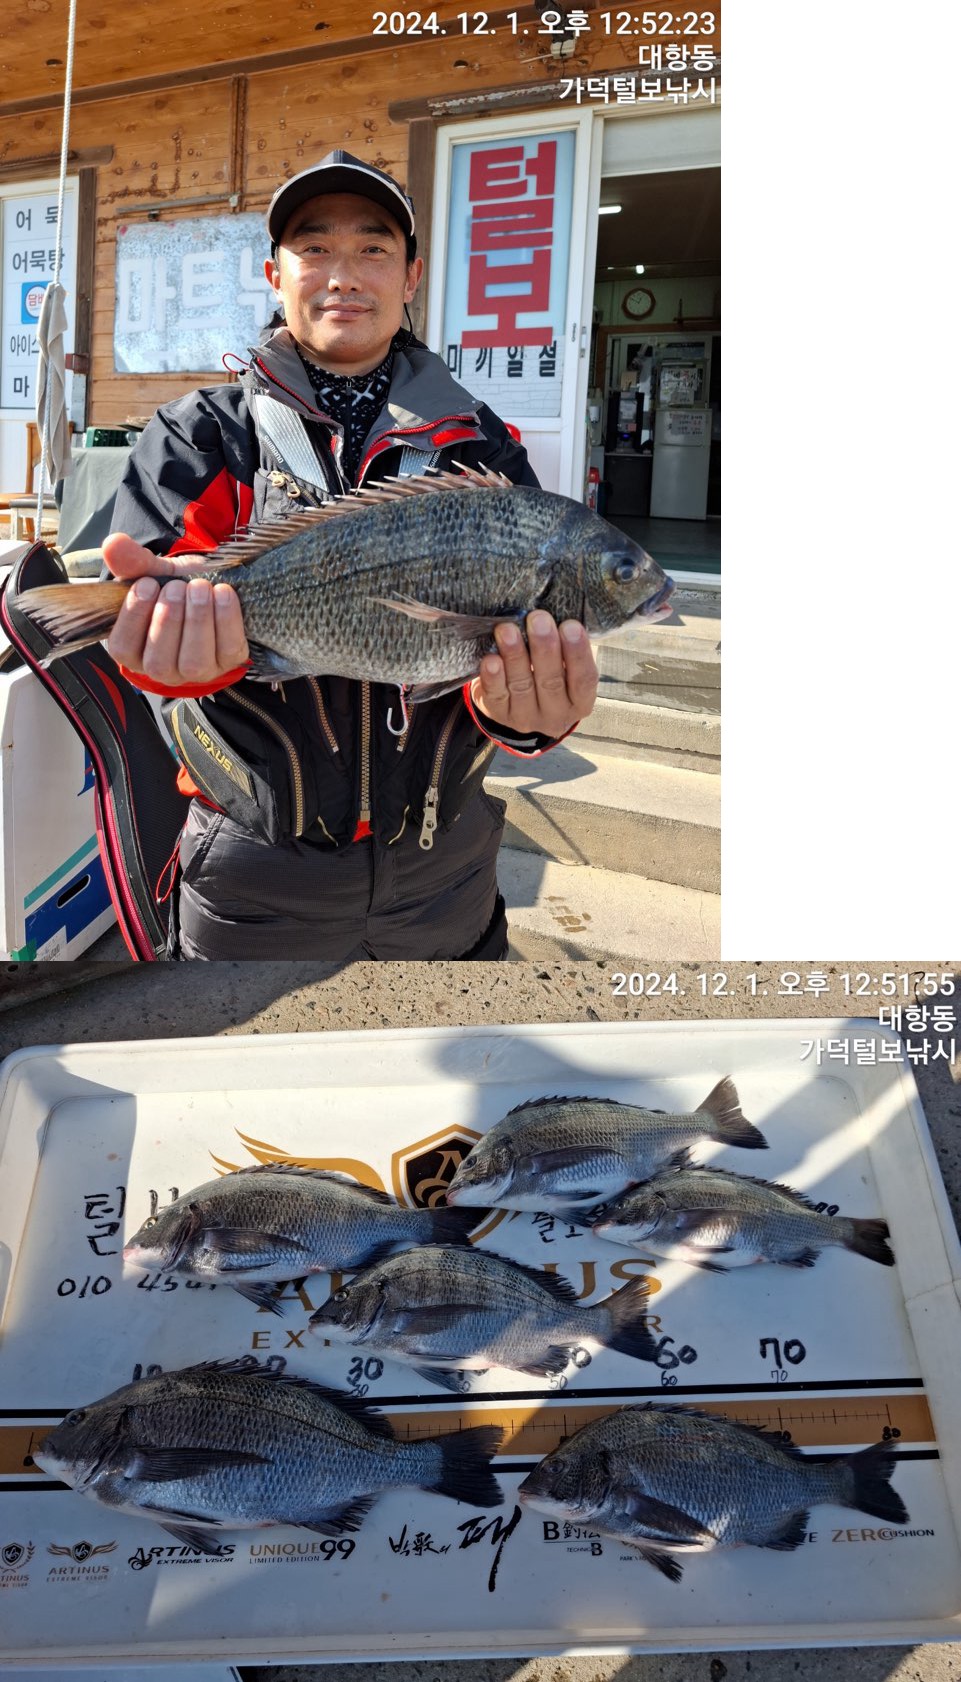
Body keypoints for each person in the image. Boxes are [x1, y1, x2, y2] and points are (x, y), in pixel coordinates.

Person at [105, 150, 599, 960]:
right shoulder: (199, 434)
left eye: (373, 248)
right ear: (275, 275)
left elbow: (495, 670)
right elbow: (152, 641)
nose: (343, 275)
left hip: (446, 862)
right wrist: (167, 655)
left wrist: (527, 718)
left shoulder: (483, 447)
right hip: (251, 865)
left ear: (410, 278)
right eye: (315, 248)